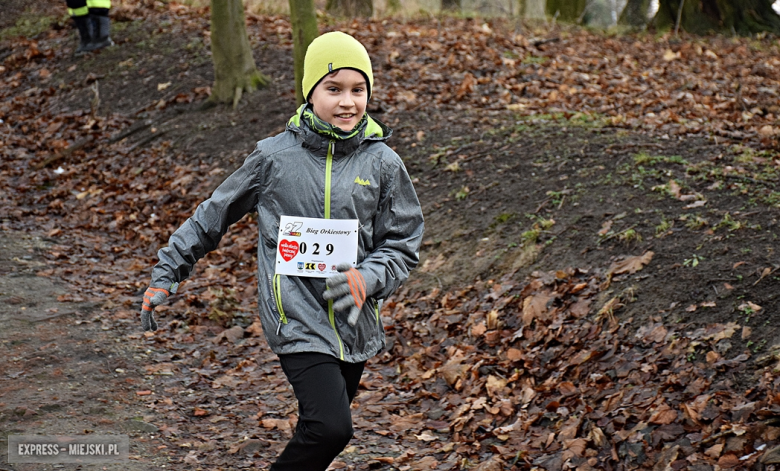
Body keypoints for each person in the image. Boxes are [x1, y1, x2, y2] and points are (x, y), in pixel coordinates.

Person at [140, 31, 424, 471]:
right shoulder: (273, 158)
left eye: (358, 89)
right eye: (333, 89)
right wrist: (168, 272)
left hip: (353, 320)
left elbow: (403, 241)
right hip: (295, 315)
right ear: (310, 93)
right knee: (332, 428)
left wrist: (368, 278)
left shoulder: (383, 162)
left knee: (320, 429)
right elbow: (212, 215)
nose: (347, 102)